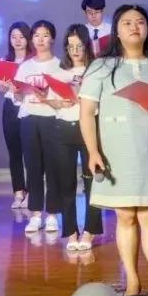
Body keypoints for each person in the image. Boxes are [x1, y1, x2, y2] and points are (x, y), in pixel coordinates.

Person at [79, 4, 148, 296]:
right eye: (127, 22)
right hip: (116, 149)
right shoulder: (101, 67)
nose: (135, 27)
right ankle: (133, 281)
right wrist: (93, 151)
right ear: (117, 31)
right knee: (126, 216)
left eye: (140, 22)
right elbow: (86, 112)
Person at [46, 24, 103, 251]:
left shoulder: (96, 70)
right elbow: (52, 100)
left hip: (89, 127)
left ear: (87, 46)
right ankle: (70, 232)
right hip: (63, 127)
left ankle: (90, 231)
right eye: (71, 47)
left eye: (79, 46)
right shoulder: (60, 72)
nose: (75, 51)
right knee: (66, 182)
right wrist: (59, 102)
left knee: (92, 182)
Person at [12, 20, 62, 235]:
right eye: (37, 35)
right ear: (32, 39)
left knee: (53, 168)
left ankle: (52, 214)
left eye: (45, 35)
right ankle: (35, 214)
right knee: (33, 168)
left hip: (51, 118)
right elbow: (17, 98)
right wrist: (16, 91)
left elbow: (64, 97)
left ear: (52, 39)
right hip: (29, 119)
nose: (41, 40)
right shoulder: (25, 67)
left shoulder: (60, 65)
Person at [0, 21, 32, 209]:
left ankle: (32, 193)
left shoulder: (33, 61)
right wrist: (3, 86)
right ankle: (18, 191)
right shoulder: (5, 60)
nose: (17, 41)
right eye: (13, 37)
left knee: (31, 152)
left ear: (27, 39)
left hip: (28, 107)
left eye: (21, 37)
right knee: (14, 152)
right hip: (10, 107)